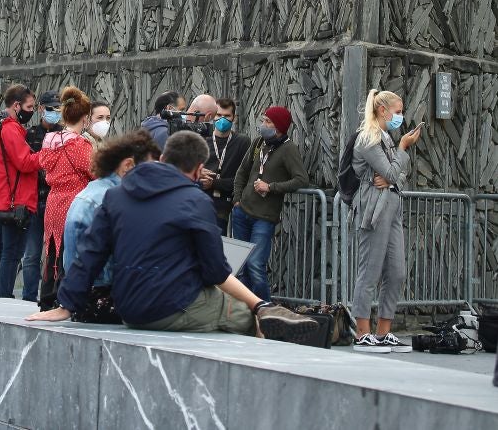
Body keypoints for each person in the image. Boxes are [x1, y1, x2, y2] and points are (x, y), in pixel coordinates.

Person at [26, 131, 318, 345]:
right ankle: (295, 328)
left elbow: (89, 255)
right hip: (171, 307)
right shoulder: (195, 200)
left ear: (163, 158)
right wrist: (259, 305)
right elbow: (215, 270)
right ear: (199, 169)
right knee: (243, 313)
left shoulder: (115, 196)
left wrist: (65, 305)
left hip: (128, 307)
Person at [62, 130, 161, 322]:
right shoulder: (112, 200)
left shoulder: (95, 192)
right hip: (102, 299)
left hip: (87, 296)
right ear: (128, 165)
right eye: (149, 170)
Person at [351, 89, 421, 353]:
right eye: (398, 111)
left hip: (392, 204)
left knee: (397, 271)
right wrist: (402, 149)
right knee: (369, 269)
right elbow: (393, 170)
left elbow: (398, 175)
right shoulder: (369, 138)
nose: (400, 116)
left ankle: (383, 331)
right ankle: (362, 332)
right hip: (374, 207)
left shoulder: (386, 138)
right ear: (383, 110)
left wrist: (393, 175)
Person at [231, 106, 308, 301]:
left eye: (268, 122)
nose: (263, 125)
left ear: (280, 127)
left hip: (264, 217)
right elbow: (242, 171)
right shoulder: (258, 142)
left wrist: (271, 187)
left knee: (256, 265)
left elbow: (301, 180)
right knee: (240, 267)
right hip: (242, 212)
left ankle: (264, 311)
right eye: (263, 120)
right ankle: (243, 312)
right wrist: (237, 200)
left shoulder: (289, 149)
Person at [0, 85, 42, 298]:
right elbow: (24, 162)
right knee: (11, 253)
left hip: (3, 198)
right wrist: (47, 155)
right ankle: (5, 297)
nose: (31, 111)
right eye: (29, 107)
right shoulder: (11, 128)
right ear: (16, 105)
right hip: (15, 201)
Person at [37, 86, 94, 310]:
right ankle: (64, 300)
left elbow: (42, 165)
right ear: (85, 118)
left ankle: (46, 299)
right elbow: (94, 171)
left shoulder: (50, 140)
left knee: (51, 251)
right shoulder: (80, 144)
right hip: (74, 201)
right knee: (69, 251)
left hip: (53, 201)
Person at [20, 90, 60, 303]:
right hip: (35, 200)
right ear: (41, 109)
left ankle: (52, 296)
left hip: (56, 200)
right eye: (51, 109)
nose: (55, 113)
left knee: (56, 254)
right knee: (32, 254)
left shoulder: (64, 134)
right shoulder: (30, 134)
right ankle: (28, 297)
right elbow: (26, 165)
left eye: (58, 109)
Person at [198, 97, 250, 234]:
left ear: (234, 118)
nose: (222, 119)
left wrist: (214, 183)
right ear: (213, 116)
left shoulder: (242, 142)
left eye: (227, 116)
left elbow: (242, 179)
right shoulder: (202, 139)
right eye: (219, 115)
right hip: (198, 201)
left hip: (222, 206)